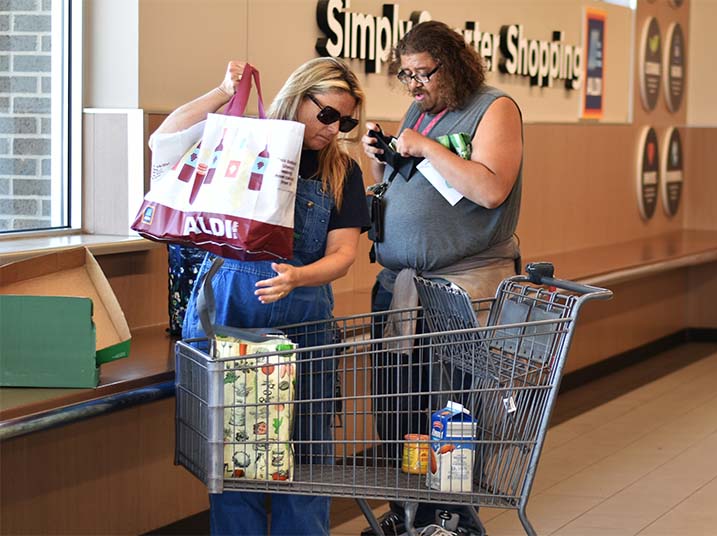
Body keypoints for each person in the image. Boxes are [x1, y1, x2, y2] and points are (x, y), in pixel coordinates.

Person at [156, 57, 370, 535]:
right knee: (237, 457)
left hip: (306, 315)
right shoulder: (245, 137)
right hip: (233, 312)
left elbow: (342, 253)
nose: (334, 130)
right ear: (298, 97)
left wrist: (297, 277)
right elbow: (165, 140)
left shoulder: (343, 172)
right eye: (328, 115)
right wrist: (220, 90)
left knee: (309, 454)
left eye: (347, 121)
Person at [359, 20, 524, 536]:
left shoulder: (493, 107)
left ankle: (450, 517)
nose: (412, 85)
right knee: (400, 409)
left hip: (459, 290)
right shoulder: (420, 111)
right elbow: (409, 190)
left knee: (452, 412)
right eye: (404, 75)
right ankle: (408, 512)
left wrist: (428, 148)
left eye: (422, 73)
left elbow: (491, 189)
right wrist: (381, 159)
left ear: (451, 65)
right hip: (401, 286)